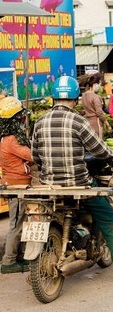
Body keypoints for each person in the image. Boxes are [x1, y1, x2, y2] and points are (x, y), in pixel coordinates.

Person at [31, 76, 113, 283]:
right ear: (75, 98)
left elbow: (35, 156)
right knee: (108, 218)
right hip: (78, 183)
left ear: (53, 97)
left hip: (49, 186)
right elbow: (99, 150)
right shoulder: (78, 121)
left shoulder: (40, 122)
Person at [0, 97, 32, 274]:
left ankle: (18, 256)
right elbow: (32, 155)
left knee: (17, 221)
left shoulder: (5, 138)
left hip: (14, 184)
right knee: (17, 223)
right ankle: (9, 261)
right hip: (18, 186)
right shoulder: (12, 140)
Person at [81, 73, 107, 138]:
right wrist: (106, 122)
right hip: (96, 123)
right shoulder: (95, 97)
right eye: (99, 85)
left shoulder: (84, 95)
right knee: (98, 141)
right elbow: (99, 112)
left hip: (87, 122)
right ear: (95, 84)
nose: (100, 87)